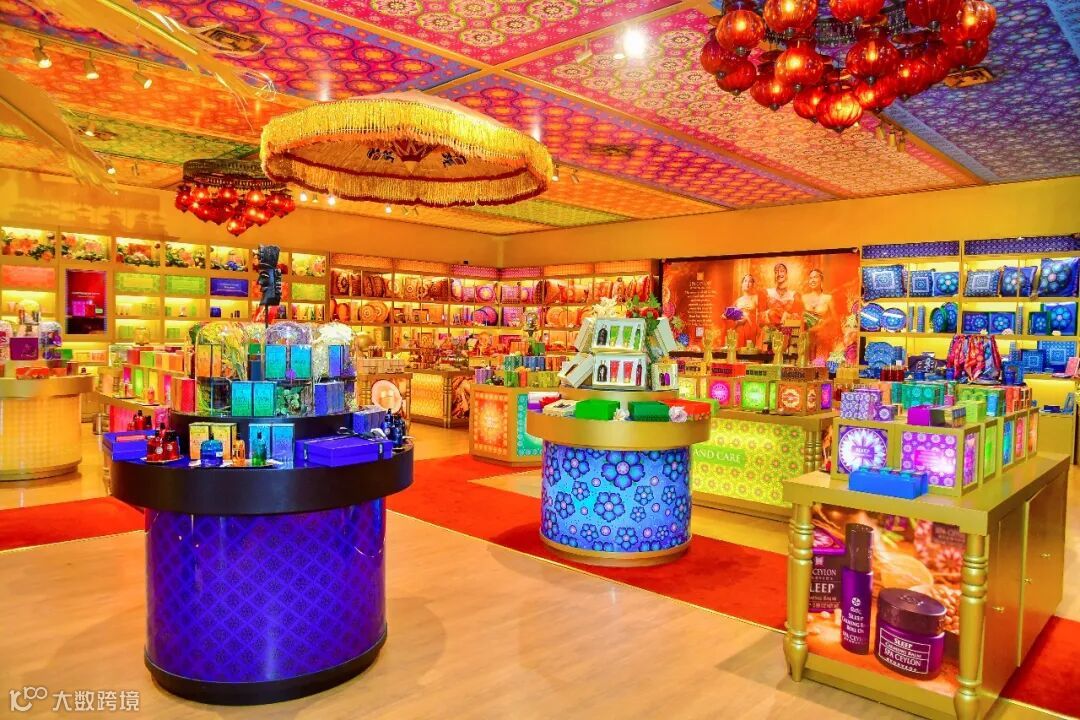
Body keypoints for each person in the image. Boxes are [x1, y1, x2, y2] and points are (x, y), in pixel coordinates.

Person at [802, 268, 837, 359]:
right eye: (810, 278)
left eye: (815, 277)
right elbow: (799, 317)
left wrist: (824, 323)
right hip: (807, 337)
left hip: (822, 337)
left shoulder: (828, 298)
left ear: (821, 279)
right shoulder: (803, 298)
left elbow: (835, 319)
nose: (812, 280)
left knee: (819, 364)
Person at [764, 262, 801, 326]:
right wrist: (768, 313)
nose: (778, 274)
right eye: (776, 272)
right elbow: (759, 317)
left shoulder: (794, 295)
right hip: (771, 329)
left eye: (782, 271)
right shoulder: (767, 292)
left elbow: (799, 321)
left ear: (786, 274)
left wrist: (787, 316)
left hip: (788, 329)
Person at [732, 273, 762, 348]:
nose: (747, 283)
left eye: (750, 281)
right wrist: (737, 321)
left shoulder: (756, 298)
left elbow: (761, 314)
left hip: (751, 327)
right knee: (739, 349)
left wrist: (748, 317)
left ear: (753, 285)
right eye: (745, 281)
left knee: (750, 350)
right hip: (739, 329)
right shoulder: (738, 300)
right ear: (742, 284)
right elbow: (730, 316)